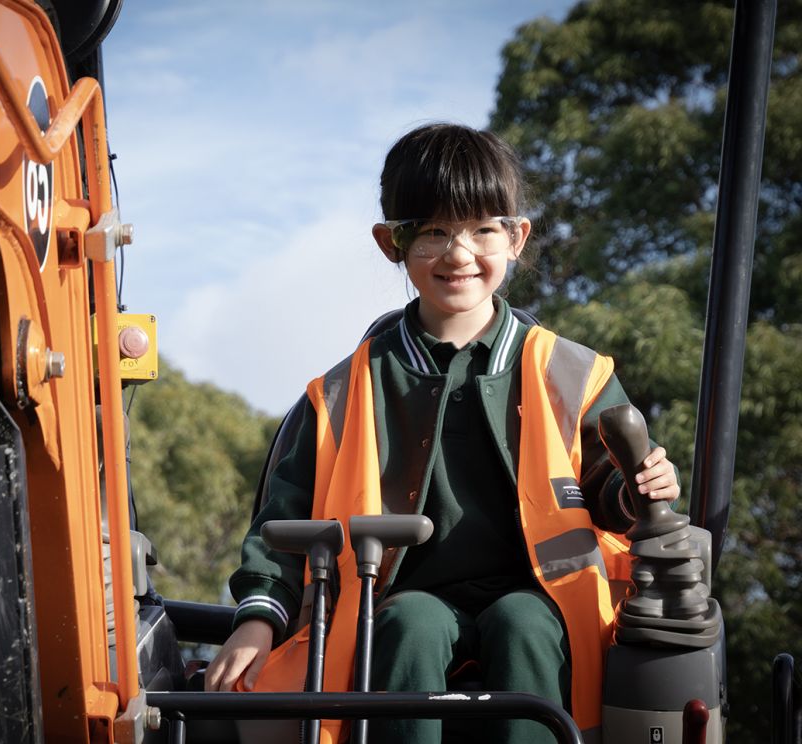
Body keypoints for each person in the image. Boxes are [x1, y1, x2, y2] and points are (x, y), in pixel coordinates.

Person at [204, 122, 680, 744]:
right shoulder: (342, 394)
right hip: (394, 604)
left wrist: (640, 489)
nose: (459, 254)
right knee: (412, 624)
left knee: (524, 623)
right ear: (391, 243)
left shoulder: (575, 375)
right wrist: (257, 620)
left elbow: (610, 492)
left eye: (483, 228)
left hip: (542, 598)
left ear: (516, 238)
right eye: (433, 232)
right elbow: (283, 525)